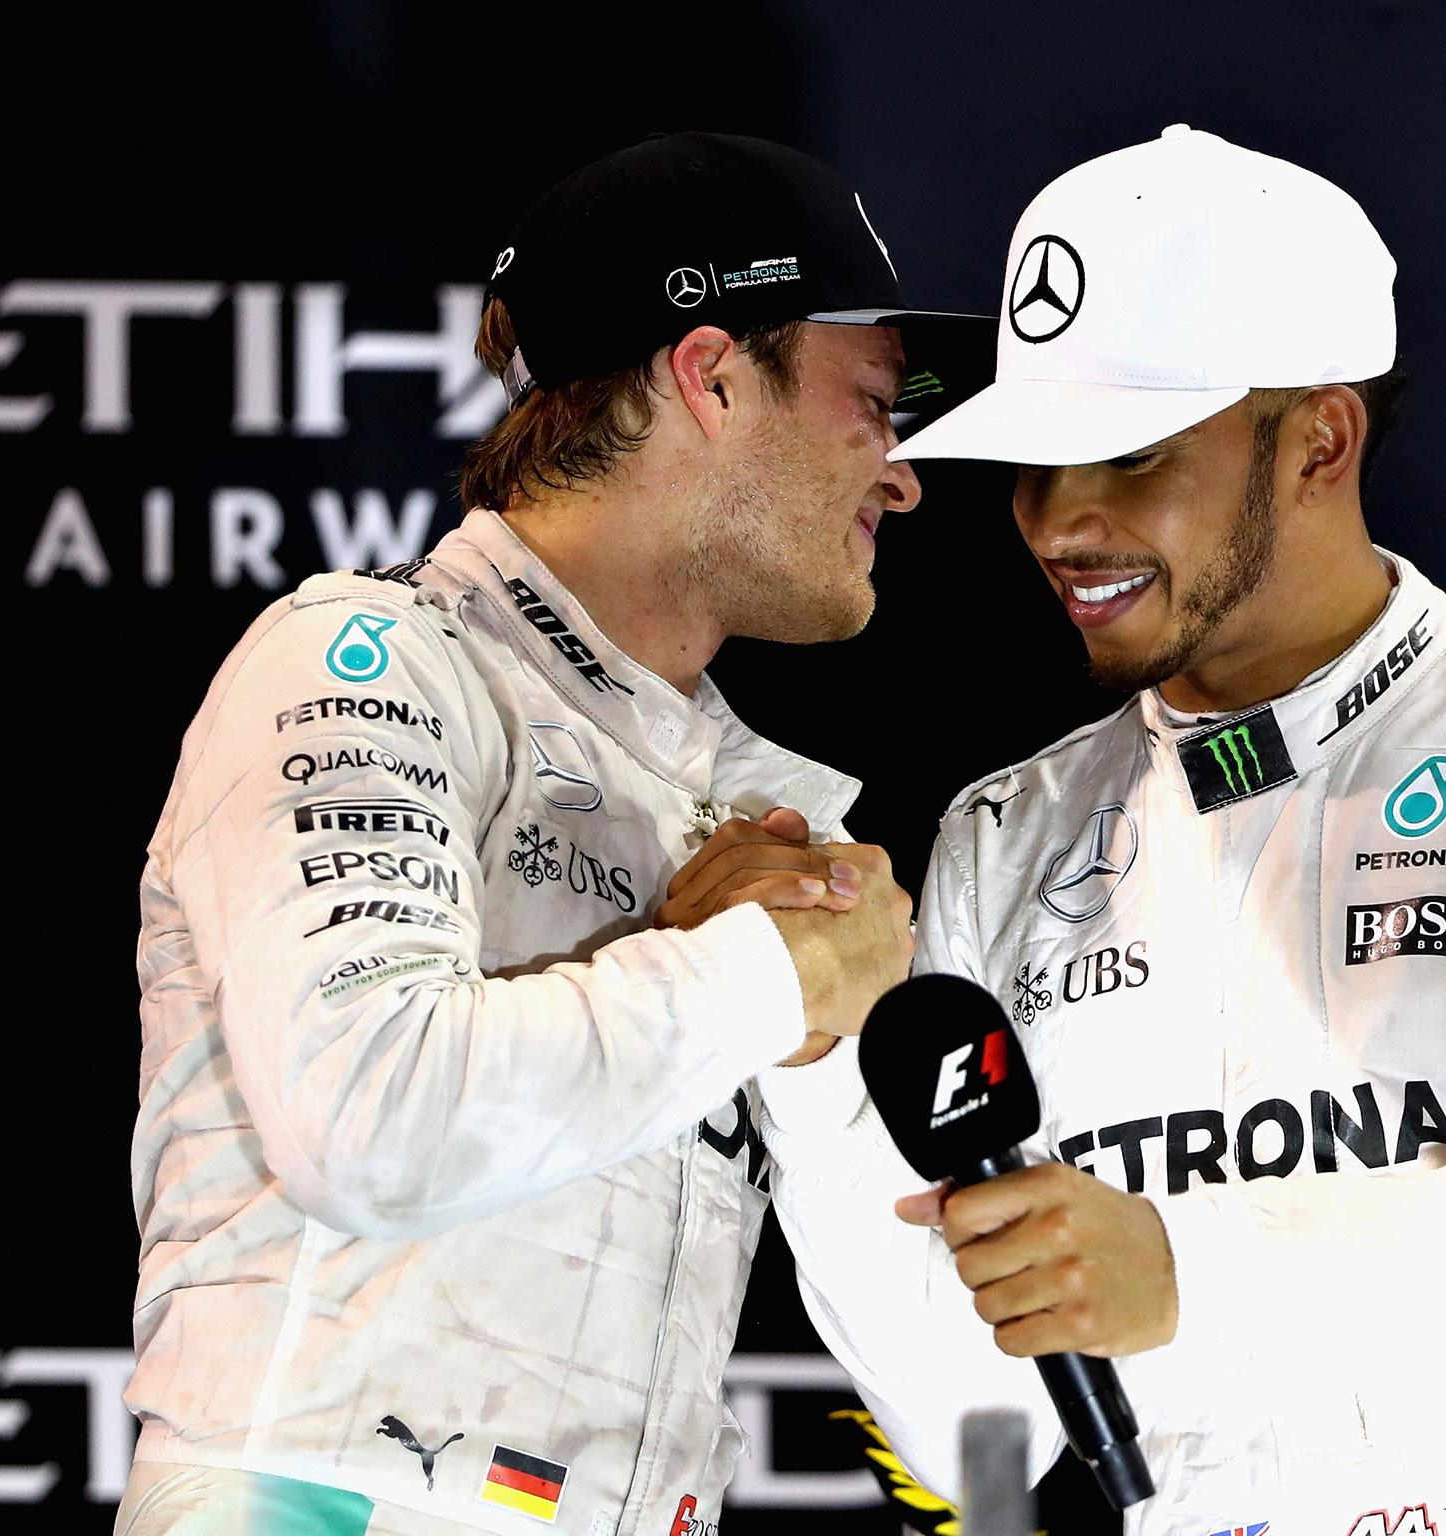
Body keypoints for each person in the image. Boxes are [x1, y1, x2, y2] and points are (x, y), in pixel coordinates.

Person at [745, 127, 1446, 1534]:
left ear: (1320, 440)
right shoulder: (1010, 832)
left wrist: (1180, 1266)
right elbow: (966, 1424)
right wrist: (814, 1070)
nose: (1060, 522)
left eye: (1129, 455)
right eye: (1033, 465)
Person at [121, 132, 969, 1536]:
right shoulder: (368, 660)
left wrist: (813, 1038)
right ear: (709, 376)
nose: (903, 474)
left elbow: (931, 1369)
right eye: (872, 402)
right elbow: (371, 1124)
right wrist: (758, 975)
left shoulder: (773, 813)